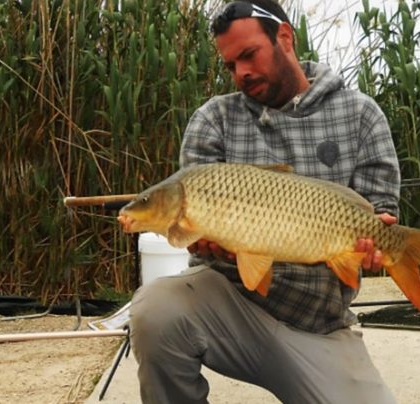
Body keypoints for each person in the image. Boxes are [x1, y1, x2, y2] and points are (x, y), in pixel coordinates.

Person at [129, 1, 400, 402]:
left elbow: (381, 209)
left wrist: (377, 247)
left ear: (285, 38)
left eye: (249, 55)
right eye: (230, 65)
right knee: (155, 309)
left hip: (319, 322)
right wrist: (202, 238)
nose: (241, 73)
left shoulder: (361, 115)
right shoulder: (213, 120)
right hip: (230, 309)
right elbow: (199, 236)